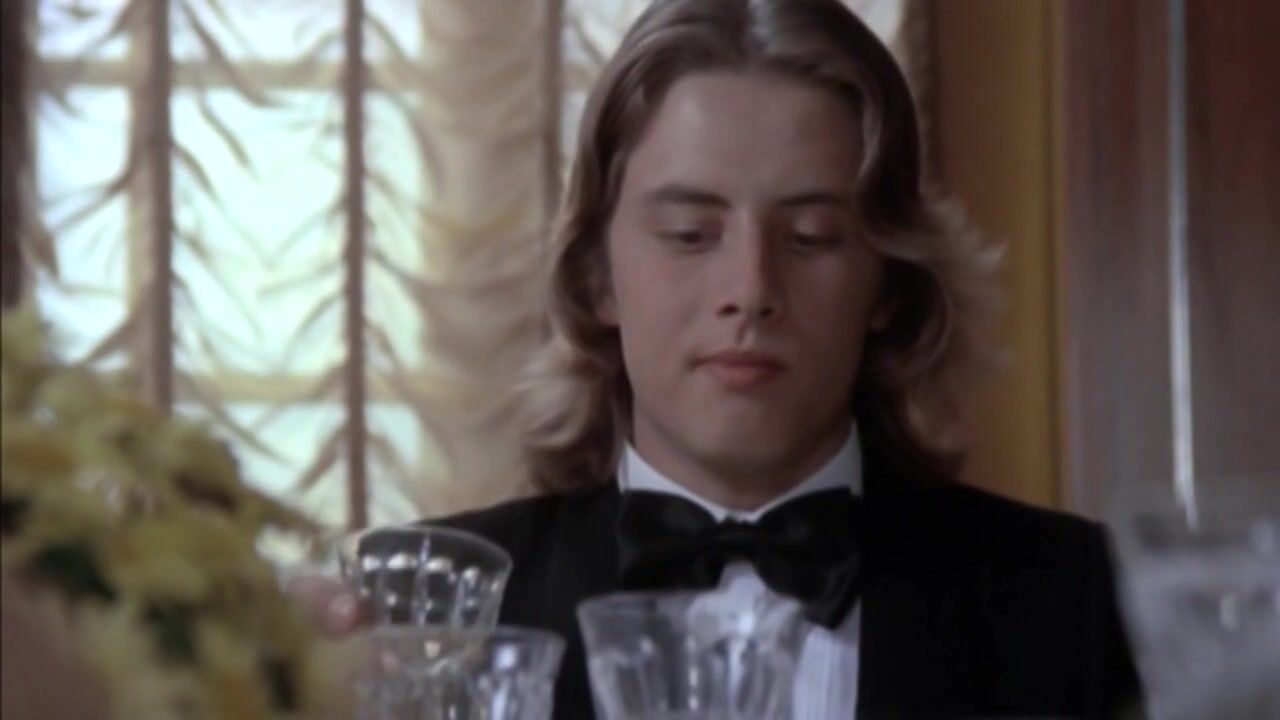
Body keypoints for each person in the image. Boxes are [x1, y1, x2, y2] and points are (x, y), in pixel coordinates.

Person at [298, 0, 1143, 717]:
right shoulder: (421, 620)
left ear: (888, 282)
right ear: (597, 278)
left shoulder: (1083, 601)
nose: (750, 290)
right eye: (690, 234)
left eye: (810, 237)